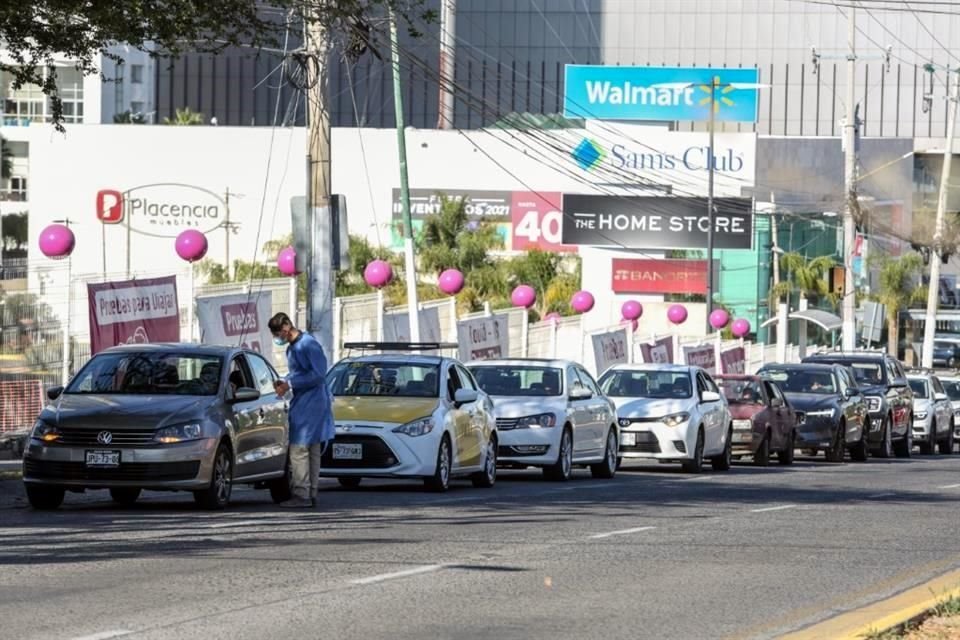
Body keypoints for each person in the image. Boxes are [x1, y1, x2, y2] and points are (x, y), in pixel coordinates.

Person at [269, 312, 335, 508]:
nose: (279, 337)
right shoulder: (295, 347)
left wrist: (291, 383)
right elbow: (299, 372)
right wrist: (286, 381)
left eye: (279, 332)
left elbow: (318, 374)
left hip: (311, 403)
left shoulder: (307, 344)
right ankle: (310, 492)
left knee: (299, 449)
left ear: (287, 326)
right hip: (307, 401)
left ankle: (302, 493)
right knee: (312, 448)